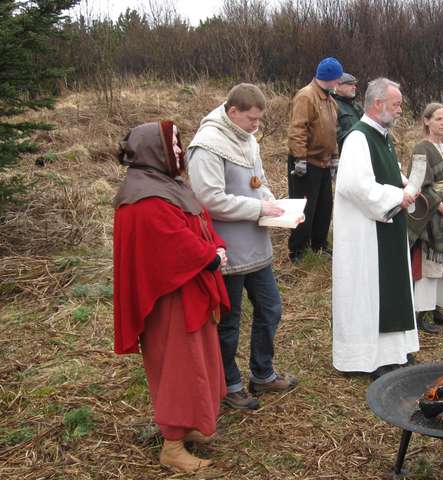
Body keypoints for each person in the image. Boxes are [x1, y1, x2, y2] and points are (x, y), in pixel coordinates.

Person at [113, 121, 229, 474]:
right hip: (169, 299)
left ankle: (190, 423)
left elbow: (199, 221)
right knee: (181, 367)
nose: (179, 152)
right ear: (153, 151)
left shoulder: (168, 184)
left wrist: (217, 247)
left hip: (189, 291)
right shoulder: (143, 198)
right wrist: (210, 257)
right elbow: (171, 243)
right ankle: (172, 447)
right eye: (174, 146)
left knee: (197, 361)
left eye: (179, 145)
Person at [187, 83, 298, 411]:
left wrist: (276, 205)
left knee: (271, 309)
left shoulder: (247, 138)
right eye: (251, 119)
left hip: (257, 244)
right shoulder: (207, 145)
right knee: (230, 320)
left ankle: (262, 373)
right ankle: (229, 384)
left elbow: (258, 182)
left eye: (259, 120)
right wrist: (259, 209)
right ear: (232, 112)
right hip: (227, 251)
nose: (256, 126)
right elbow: (209, 200)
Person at [332, 77, 419, 380]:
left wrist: (405, 184)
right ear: (378, 104)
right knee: (369, 293)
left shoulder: (381, 136)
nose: (399, 111)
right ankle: (366, 358)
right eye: (396, 105)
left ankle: (393, 353)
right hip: (365, 234)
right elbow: (354, 186)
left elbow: (386, 174)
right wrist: (398, 196)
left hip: (386, 226)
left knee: (389, 289)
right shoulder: (359, 138)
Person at [407, 103, 443, 334]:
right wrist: (440, 207)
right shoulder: (421, 149)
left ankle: (439, 308)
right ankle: (422, 312)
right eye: (439, 118)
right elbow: (420, 184)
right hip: (430, 217)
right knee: (429, 265)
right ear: (427, 121)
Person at [287, 57, 343, 263]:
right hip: (306, 163)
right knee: (304, 210)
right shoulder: (306, 96)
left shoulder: (330, 101)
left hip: (323, 163)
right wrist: (299, 158)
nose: (339, 84)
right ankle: (297, 251)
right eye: (337, 79)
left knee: (323, 208)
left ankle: (319, 246)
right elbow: (297, 129)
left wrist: (335, 157)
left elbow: (332, 133)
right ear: (328, 78)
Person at [333, 72, 364, 150]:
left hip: (360, 151)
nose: (354, 87)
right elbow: (335, 134)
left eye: (355, 85)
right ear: (338, 86)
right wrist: (357, 137)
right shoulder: (331, 105)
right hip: (343, 154)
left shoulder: (357, 106)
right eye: (350, 84)